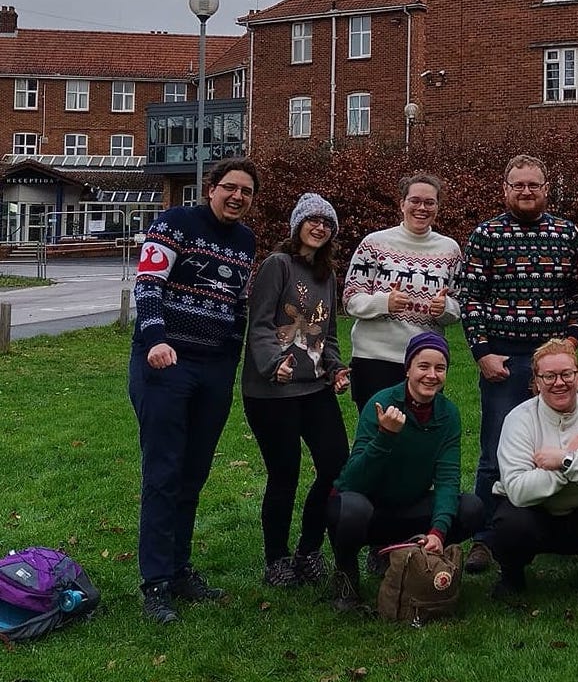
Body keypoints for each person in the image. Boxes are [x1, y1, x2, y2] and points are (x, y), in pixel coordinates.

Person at [129, 157, 260, 623]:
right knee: (164, 472)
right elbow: (147, 284)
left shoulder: (245, 241)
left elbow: (239, 306)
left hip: (214, 368)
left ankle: (180, 568)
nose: (237, 197)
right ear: (211, 188)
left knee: (194, 472)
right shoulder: (174, 223)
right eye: (230, 188)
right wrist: (156, 337)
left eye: (246, 191)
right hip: (166, 364)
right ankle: (156, 584)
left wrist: (233, 359)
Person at [460, 154, 578, 573]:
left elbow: (575, 296)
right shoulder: (486, 235)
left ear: (547, 189)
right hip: (504, 355)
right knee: (496, 448)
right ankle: (485, 536)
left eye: (534, 184)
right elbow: (471, 298)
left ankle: (559, 529)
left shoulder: (566, 234)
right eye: (519, 185)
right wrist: (482, 352)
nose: (526, 192)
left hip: (554, 359)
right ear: (506, 189)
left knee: (562, 446)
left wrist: (569, 343)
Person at [327, 332, 484, 610]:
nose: (431, 375)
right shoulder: (382, 402)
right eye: (423, 366)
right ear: (408, 368)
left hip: (409, 505)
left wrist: (438, 531)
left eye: (440, 368)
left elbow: (447, 479)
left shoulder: (448, 414)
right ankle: (346, 576)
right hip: (368, 506)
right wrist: (385, 436)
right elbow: (351, 480)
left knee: (470, 507)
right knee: (351, 508)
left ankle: (414, 559)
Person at [241, 193, 352, 587]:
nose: (320, 227)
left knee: (337, 465)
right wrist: (274, 364)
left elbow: (329, 335)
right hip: (271, 393)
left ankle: (308, 550)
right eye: (313, 220)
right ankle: (276, 560)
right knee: (284, 473)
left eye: (327, 222)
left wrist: (336, 368)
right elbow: (260, 325)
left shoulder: (327, 275)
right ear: (297, 225)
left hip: (315, 388)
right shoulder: (278, 265)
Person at [487, 339, 578, 595]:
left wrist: (566, 460)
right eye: (549, 376)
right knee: (509, 525)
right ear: (536, 381)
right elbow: (518, 490)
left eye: (567, 374)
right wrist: (576, 460)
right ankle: (512, 577)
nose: (559, 382)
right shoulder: (519, 419)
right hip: (534, 512)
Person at [342, 174, 463, 410]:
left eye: (430, 202)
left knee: (418, 435)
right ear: (402, 204)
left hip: (425, 360)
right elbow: (350, 299)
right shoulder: (374, 243)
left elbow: (459, 304)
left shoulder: (450, 249)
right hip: (374, 359)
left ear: (438, 207)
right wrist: (383, 302)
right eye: (415, 201)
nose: (422, 208)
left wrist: (445, 308)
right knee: (377, 435)